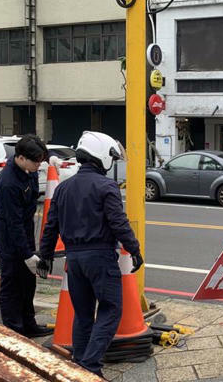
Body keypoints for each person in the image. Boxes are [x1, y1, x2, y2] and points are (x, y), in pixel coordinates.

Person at [38, 131, 143, 377]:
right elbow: (119, 223)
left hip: (74, 261)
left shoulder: (63, 188)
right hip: (100, 257)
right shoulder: (106, 186)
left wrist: (45, 255)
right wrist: (135, 249)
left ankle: (78, 363)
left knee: (83, 314)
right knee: (110, 309)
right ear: (102, 156)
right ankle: (90, 366)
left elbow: (51, 226)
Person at [0, 135, 52, 338]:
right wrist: (26, 254)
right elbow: (12, 223)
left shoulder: (28, 169)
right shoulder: (8, 184)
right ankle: (14, 331)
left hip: (24, 233)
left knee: (28, 282)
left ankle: (29, 323)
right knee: (12, 284)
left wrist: (51, 161)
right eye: (36, 162)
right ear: (21, 158)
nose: (38, 165)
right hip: (9, 238)